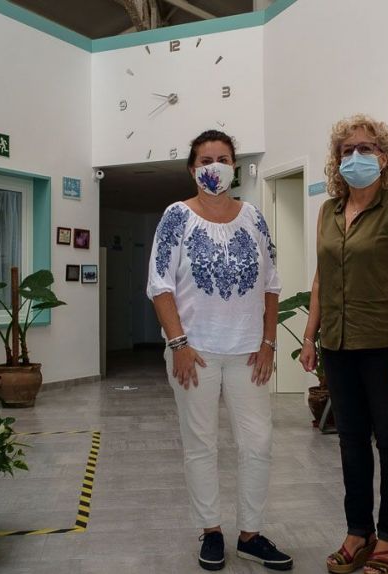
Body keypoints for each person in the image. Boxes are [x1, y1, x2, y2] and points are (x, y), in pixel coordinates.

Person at [147, 130, 293, 572]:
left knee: (257, 443)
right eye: (206, 159)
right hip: (196, 353)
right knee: (200, 444)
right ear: (193, 169)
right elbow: (160, 285)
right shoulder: (177, 217)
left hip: (249, 352)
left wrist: (269, 342)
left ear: (234, 166)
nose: (215, 166)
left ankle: (250, 534)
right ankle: (211, 531)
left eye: (223, 158)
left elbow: (271, 284)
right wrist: (179, 344)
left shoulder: (253, 216)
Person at [299, 115, 388, 574]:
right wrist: (311, 337)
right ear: (337, 160)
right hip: (338, 345)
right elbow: (321, 279)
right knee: (350, 442)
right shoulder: (328, 211)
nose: (356, 156)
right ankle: (359, 532)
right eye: (347, 150)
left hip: (385, 347)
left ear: (384, 156)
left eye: (366, 148)